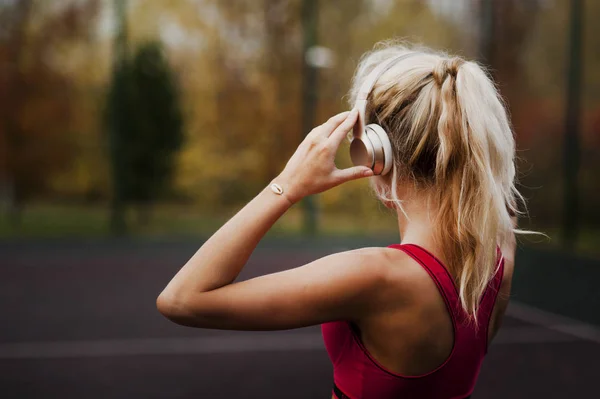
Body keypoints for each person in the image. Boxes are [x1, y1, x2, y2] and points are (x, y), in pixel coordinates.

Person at [157, 42, 522, 399]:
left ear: (375, 156)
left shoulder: (376, 277)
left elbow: (181, 299)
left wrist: (288, 184)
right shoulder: (498, 255)